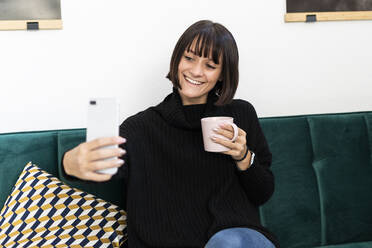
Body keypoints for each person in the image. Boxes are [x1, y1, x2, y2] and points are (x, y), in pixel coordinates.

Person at [62, 20, 279, 248]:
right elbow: (102, 165)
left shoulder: (241, 114)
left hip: (237, 239)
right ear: (177, 60)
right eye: (189, 58)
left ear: (222, 74)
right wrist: (69, 163)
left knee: (231, 242)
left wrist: (243, 156)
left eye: (210, 65)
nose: (196, 71)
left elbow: (262, 193)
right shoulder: (140, 129)